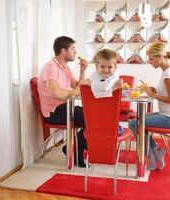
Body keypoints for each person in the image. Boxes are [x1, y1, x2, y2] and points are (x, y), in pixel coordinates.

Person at [129, 42, 170, 171]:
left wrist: (152, 95)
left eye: (151, 59)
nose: (150, 62)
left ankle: (151, 155)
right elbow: (166, 92)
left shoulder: (168, 75)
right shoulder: (167, 71)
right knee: (139, 121)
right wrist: (152, 89)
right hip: (168, 116)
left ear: (160, 57)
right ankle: (156, 151)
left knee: (134, 124)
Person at [37, 36, 88, 167]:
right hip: (55, 112)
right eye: (73, 49)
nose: (75, 52)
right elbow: (56, 92)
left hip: (66, 107)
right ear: (63, 51)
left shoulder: (65, 68)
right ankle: (77, 150)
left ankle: (74, 149)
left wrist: (83, 71)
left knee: (94, 116)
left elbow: (78, 85)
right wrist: (75, 91)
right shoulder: (51, 67)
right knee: (92, 119)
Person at [79, 49, 124, 135]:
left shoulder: (115, 75)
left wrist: (89, 83)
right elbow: (83, 85)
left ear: (115, 67)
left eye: (110, 67)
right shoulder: (95, 74)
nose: (106, 70)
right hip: (95, 117)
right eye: (102, 67)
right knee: (85, 132)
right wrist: (113, 89)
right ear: (96, 66)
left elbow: (105, 86)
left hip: (111, 120)